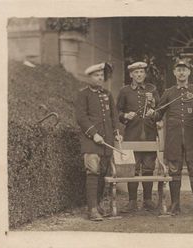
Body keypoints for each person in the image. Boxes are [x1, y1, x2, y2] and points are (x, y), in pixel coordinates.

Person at [155, 58, 193, 216]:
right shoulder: (168, 92)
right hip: (174, 138)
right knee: (174, 170)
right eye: (179, 69)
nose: (182, 72)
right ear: (174, 72)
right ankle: (175, 204)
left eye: (184, 69)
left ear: (189, 72)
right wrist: (153, 114)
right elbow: (158, 113)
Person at [74, 62, 123, 221]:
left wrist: (117, 133)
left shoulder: (107, 94)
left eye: (102, 75)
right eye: (96, 75)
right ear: (89, 77)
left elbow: (113, 116)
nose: (100, 78)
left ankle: (100, 204)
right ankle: (92, 209)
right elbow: (81, 118)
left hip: (107, 140)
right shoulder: (83, 94)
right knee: (93, 172)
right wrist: (93, 134)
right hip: (92, 141)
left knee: (103, 172)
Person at [116, 61, 160, 212]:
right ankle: (132, 201)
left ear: (145, 74)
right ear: (131, 75)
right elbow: (117, 112)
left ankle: (147, 200)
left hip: (149, 134)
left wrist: (153, 110)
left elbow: (159, 111)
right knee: (132, 169)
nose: (139, 75)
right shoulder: (124, 91)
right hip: (132, 135)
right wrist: (125, 115)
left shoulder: (152, 89)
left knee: (148, 168)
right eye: (136, 72)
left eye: (141, 72)